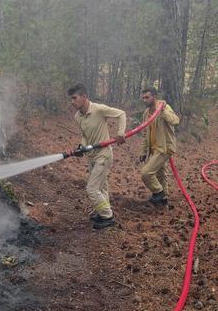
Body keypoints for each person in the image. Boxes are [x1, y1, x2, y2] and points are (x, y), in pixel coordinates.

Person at [68, 83, 126, 229]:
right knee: (101, 187)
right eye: (71, 99)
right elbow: (85, 135)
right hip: (92, 156)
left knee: (92, 189)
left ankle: (108, 217)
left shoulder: (99, 109)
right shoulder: (78, 116)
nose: (72, 102)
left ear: (84, 97)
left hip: (104, 155)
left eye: (74, 98)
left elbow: (121, 114)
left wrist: (120, 133)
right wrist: (82, 147)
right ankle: (102, 212)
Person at [140, 87, 180, 205]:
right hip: (153, 149)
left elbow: (175, 121)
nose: (144, 100)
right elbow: (145, 133)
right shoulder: (146, 113)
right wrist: (143, 151)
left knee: (146, 173)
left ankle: (159, 192)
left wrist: (163, 111)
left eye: (147, 97)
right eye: (143, 98)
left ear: (154, 97)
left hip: (164, 148)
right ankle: (163, 201)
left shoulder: (164, 108)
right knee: (161, 174)